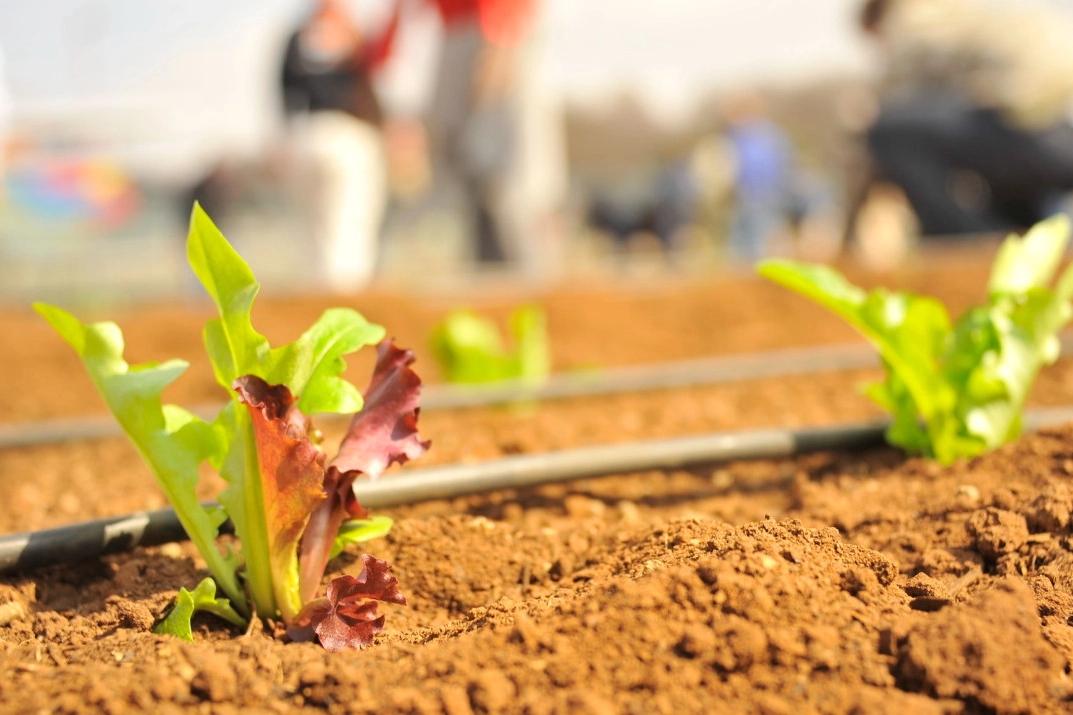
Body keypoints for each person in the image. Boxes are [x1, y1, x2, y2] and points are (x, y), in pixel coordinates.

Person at [859, 0, 1073, 237]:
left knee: (889, 132)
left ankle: (971, 242)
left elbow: (887, 107)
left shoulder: (913, 21)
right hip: (1054, 131)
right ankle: (1017, 235)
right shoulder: (957, 14)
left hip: (1035, 130)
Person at [280, 0, 399, 291]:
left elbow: (284, 94)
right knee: (350, 222)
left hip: (306, 136)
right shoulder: (354, 38)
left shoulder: (296, 38)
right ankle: (346, 297)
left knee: (314, 228)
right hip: (349, 138)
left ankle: (319, 293)